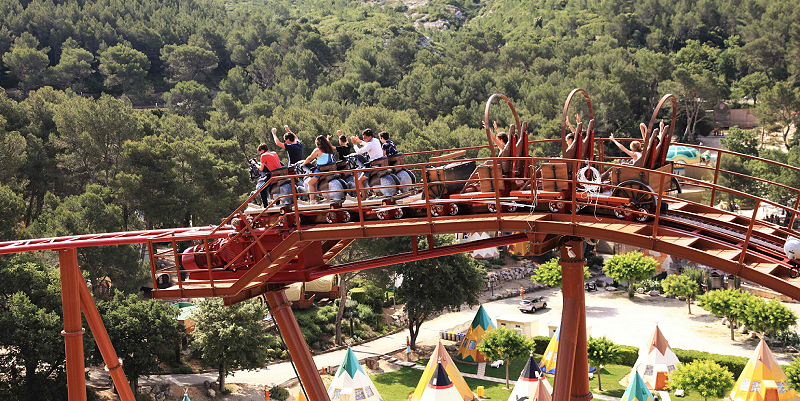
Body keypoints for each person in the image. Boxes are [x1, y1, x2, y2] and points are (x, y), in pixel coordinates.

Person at [300, 136, 337, 203]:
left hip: (322, 169)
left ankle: (312, 200)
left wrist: (303, 164)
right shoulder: (330, 148)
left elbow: (309, 158)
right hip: (331, 168)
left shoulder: (317, 150)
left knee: (310, 183)